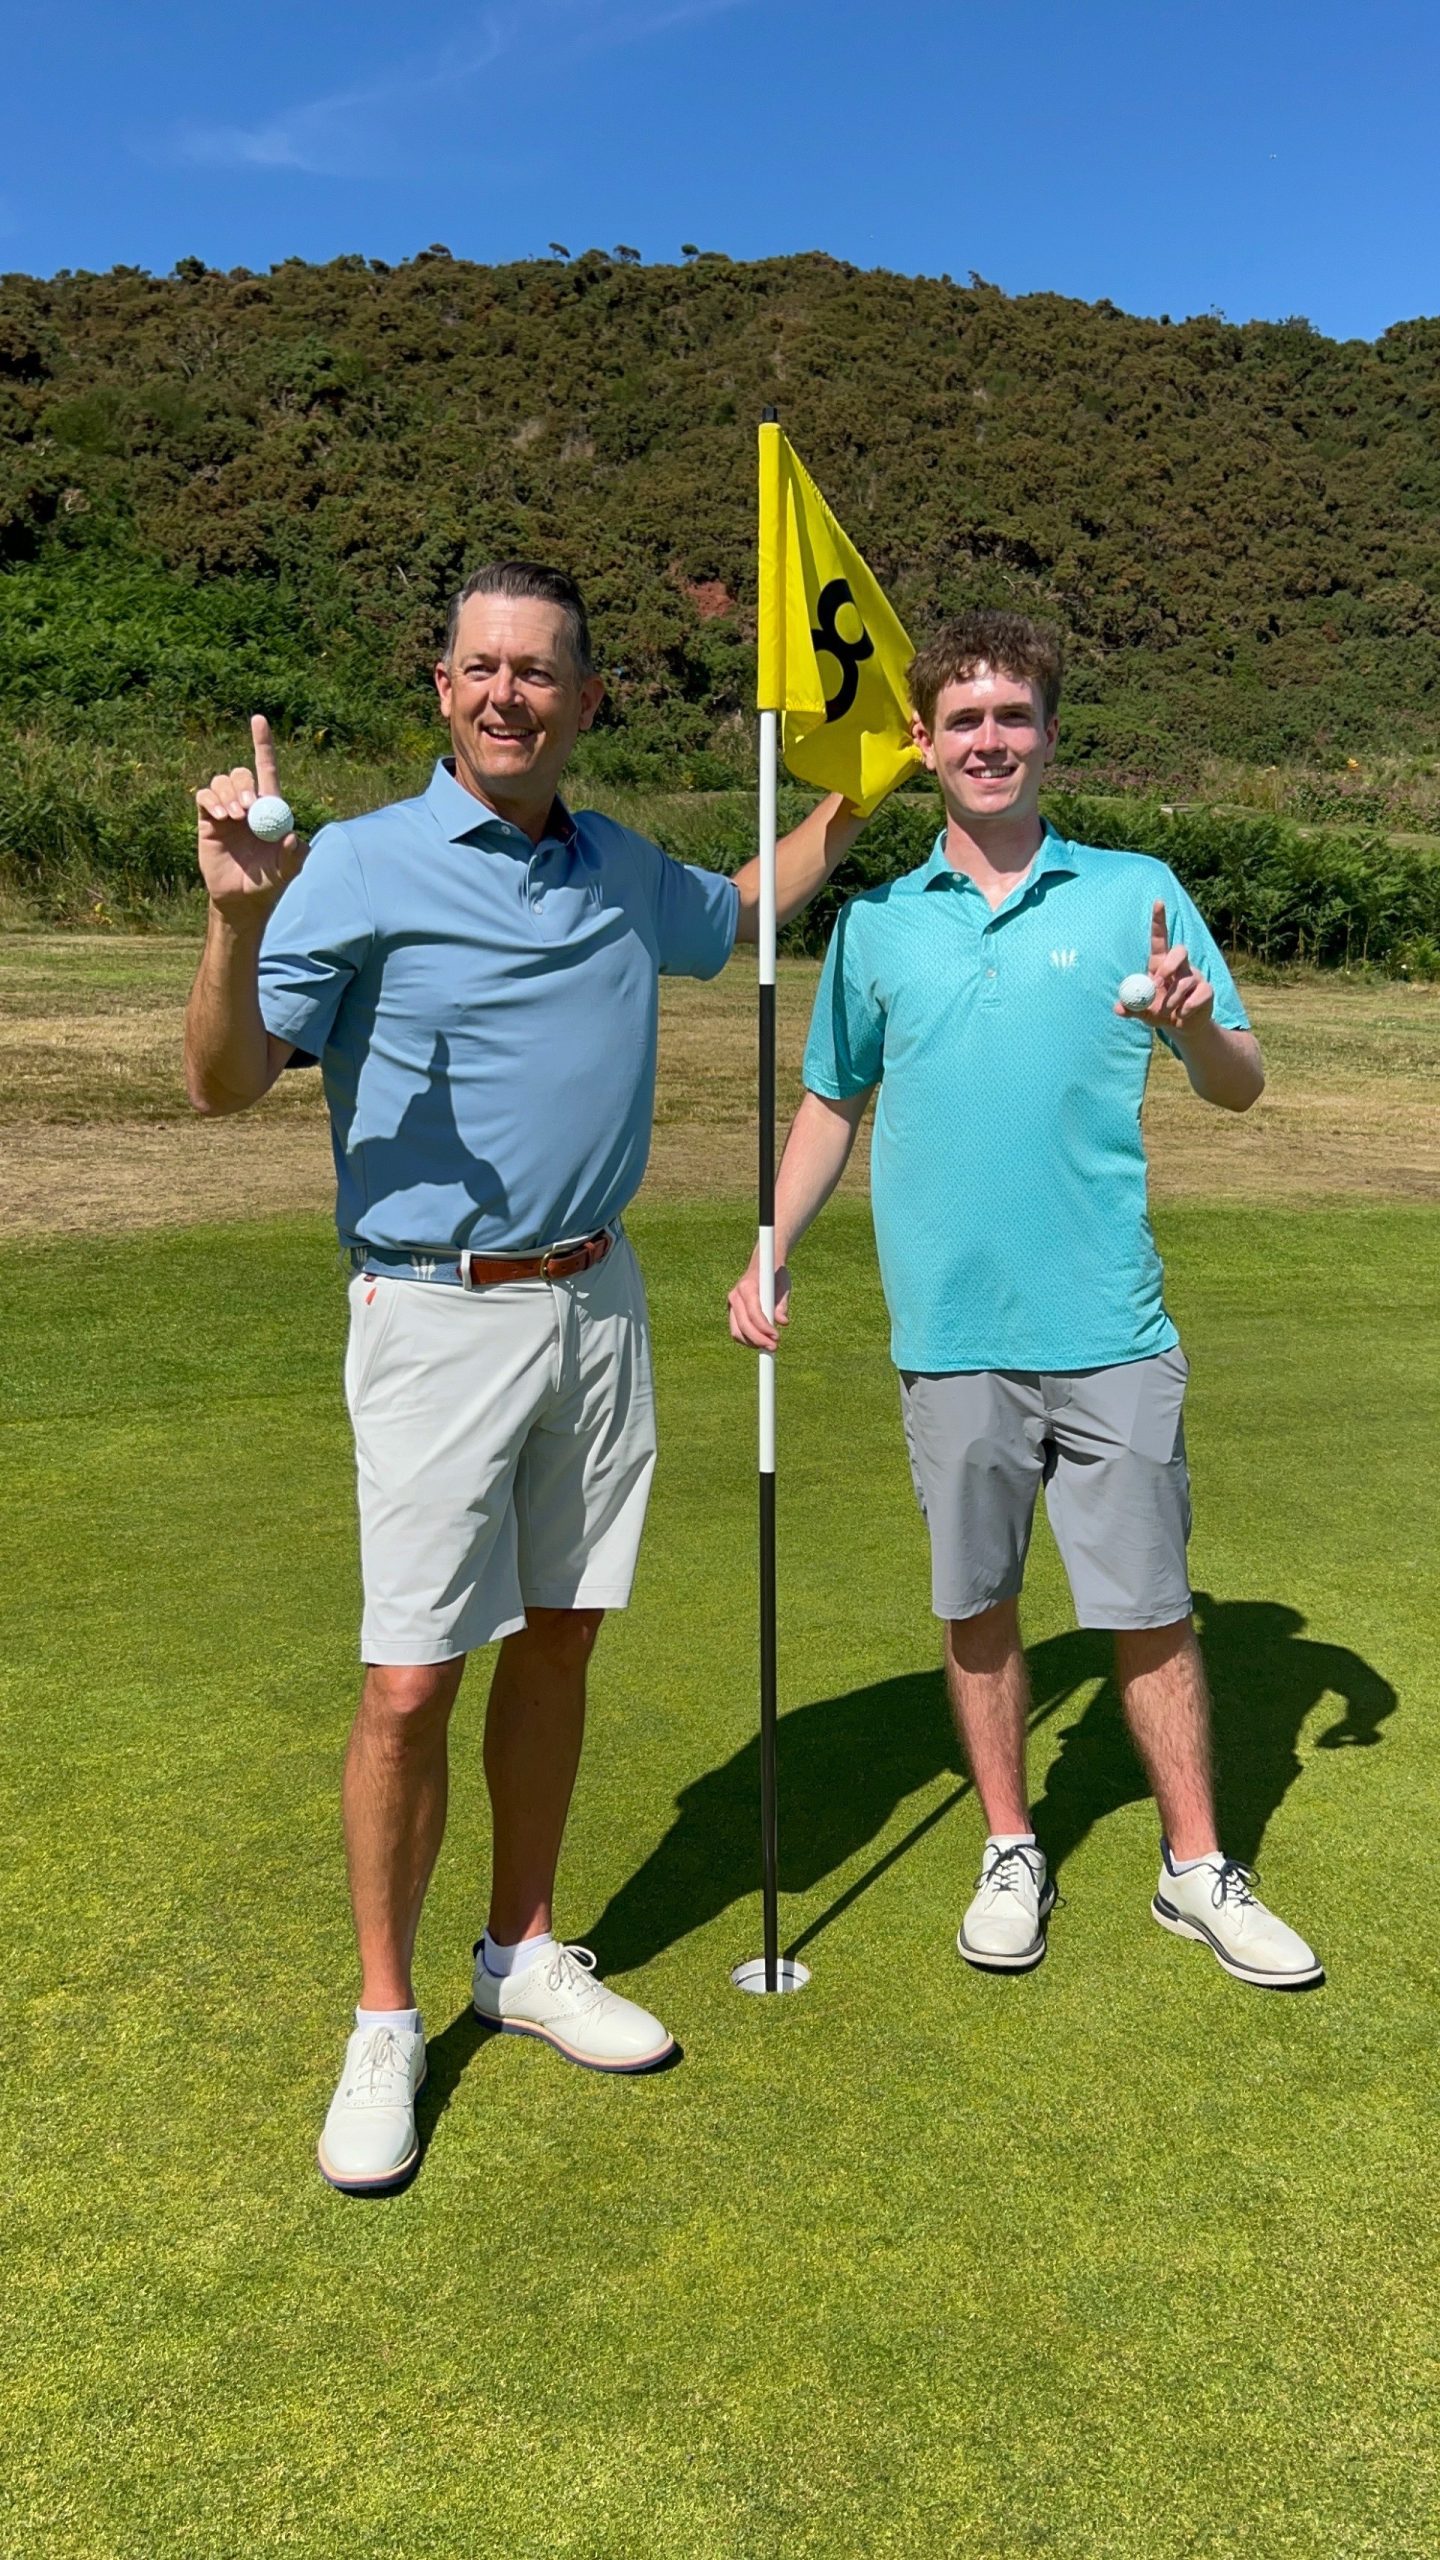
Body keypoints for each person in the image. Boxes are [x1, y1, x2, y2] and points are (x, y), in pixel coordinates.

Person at [185, 560, 868, 2193]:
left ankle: (524, 1949)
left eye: (541, 672)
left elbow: (746, 902)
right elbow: (220, 1086)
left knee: (559, 1641)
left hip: (600, 1303)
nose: (510, 694)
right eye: (482, 667)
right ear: (443, 689)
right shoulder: (347, 866)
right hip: (434, 1312)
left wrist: (871, 779)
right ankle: (385, 2016)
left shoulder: (620, 867)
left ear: (586, 699)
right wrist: (232, 919)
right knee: (412, 1678)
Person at [727, 607, 1322, 1993]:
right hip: (950, 1336)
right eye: (965, 721)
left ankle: (1193, 1867)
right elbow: (832, 1104)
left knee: (1150, 1605)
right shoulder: (877, 924)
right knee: (978, 1601)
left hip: (1109, 1323)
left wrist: (1189, 1023)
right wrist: (770, 1243)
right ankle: (1011, 1844)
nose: (990, 741)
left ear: (1049, 736)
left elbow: (1241, 1083)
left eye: (1014, 717)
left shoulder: (1139, 893)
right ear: (923, 745)